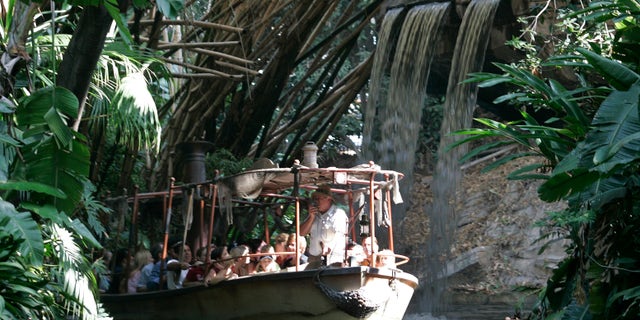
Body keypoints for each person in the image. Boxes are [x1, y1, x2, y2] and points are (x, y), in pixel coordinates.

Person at [300, 184, 348, 268]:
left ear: (328, 199)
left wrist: (328, 247)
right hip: (313, 258)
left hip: (333, 259)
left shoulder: (338, 214)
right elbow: (301, 233)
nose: (316, 202)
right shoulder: (314, 214)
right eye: (315, 199)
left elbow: (340, 236)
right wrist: (311, 217)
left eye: (318, 199)